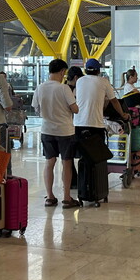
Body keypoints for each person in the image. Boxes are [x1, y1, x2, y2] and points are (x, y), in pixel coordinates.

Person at [33, 59, 80, 208]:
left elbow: (36, 108)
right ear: (61, 71)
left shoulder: (40, 87)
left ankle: (50, 197)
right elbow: (75, 109)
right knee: (66, 162)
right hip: (64, 130)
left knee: (49, 162)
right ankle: (67, 198)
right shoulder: (63, 88)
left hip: (47, 130)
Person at [74, 58, 128, 142]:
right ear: (98, 71)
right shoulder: (104, 82)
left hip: (78, 123)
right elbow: (114, 101)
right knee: (98, 153)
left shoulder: (79, 81)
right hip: (96, 124)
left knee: (82, 152)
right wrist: (122, 115)